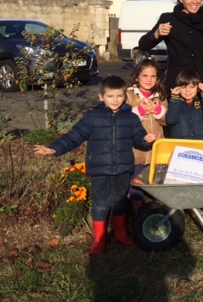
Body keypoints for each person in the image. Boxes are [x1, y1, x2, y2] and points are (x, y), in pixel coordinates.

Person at [33, 76, 156, 254]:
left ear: (125, 97)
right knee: (100, 204)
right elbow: (73, 136)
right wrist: (54, 149)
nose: (115, 100)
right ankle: (99, 239)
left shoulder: (131, 118)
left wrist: (146, 140)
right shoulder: (92, 117)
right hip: (100, 169)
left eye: (119, 96)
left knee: (120, 202)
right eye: (110, 96)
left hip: (122, 168)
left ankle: (121, 233)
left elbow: (139, 140)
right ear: (101, 97)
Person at [126, 58, 168, 213]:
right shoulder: (129, 95)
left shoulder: (160, 96)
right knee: (137, 180)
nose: (149, 80)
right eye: (145, 76)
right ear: (137, 76)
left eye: (153, 76)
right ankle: (137, 208)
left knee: (158, 178)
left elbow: (165, 121)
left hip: (157, 147)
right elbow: (126, 119)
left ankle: (159, 208)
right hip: (137, 149)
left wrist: (157, 111)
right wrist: (141, 110)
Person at [166, 70, 203, 140]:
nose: (188, 90)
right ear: (178, 88)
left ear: (198, 88)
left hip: (201, 141)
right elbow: (171, 120)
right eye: (184, 87)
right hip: (180, 142)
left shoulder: (201, 100)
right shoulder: (176, 102)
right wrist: (174, 100)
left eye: (192, 87)